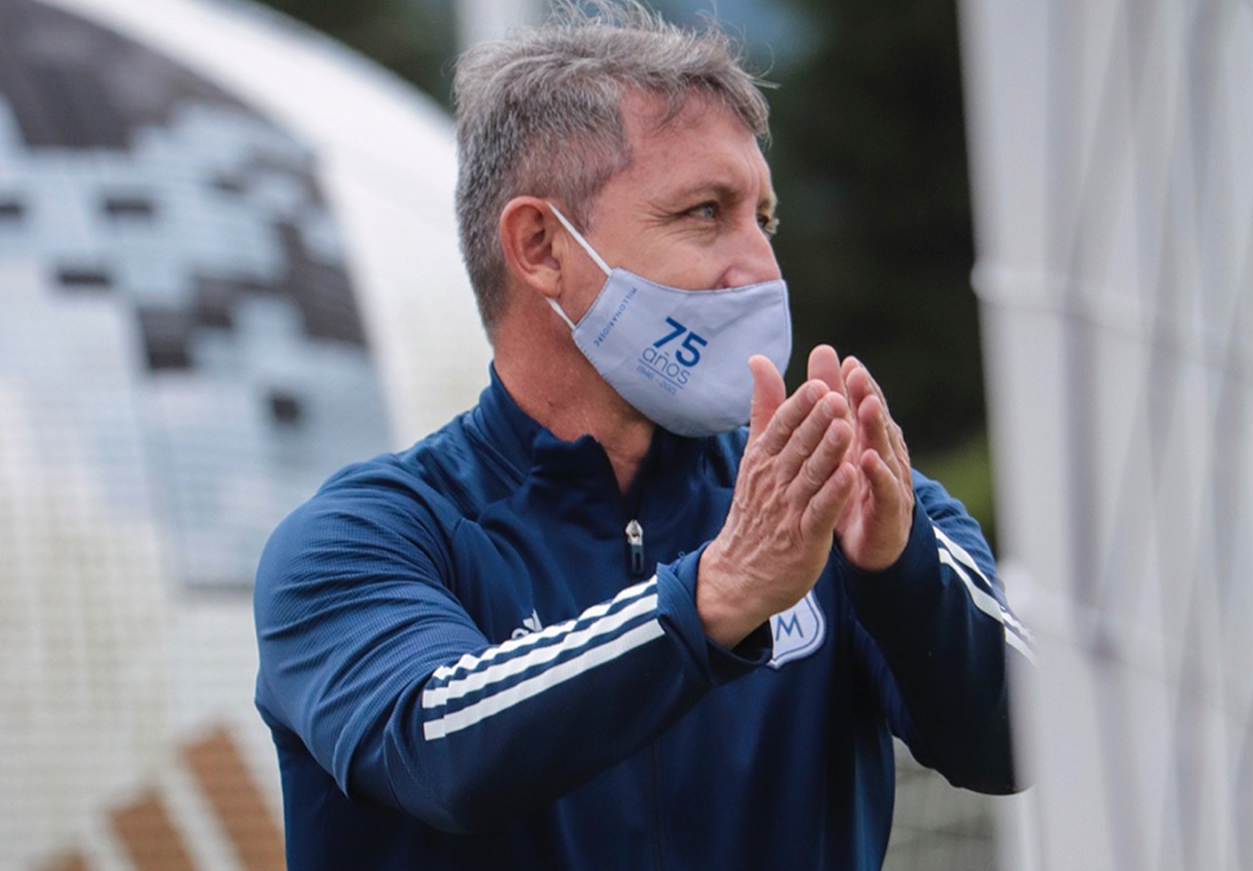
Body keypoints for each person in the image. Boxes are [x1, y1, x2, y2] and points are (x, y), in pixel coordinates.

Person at [253, 3, 1032, 869]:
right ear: (542, 247)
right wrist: (717, 595)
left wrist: (901, 567)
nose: (761, 268)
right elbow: (439, 750)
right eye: (705, 212)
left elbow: (1025, 742)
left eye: (762, 219)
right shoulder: (357, 541)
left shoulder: (839, 502)